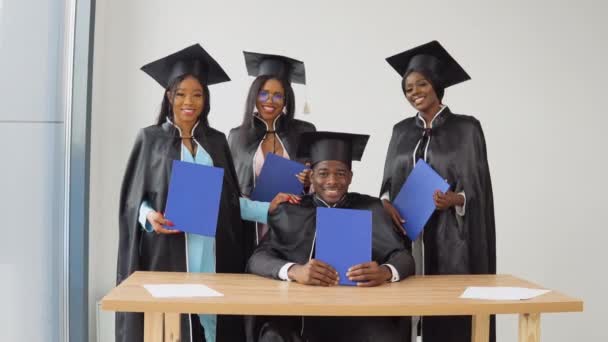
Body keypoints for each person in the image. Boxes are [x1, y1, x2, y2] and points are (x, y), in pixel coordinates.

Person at [117, 44, 293, 342]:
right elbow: (134, 200)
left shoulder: (214, 142)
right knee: (172, 329)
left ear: (205, 100)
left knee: (210, 326)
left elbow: (230, 201)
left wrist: (267, 209)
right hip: (168, 252)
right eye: (182, 93)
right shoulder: (151, 138)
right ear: (169, 95)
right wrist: (149, 216)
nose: (189, 101)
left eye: (197, 95)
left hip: (211, 251)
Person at [247, 131, 415, 342]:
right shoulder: (292, 210)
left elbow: (404, 257)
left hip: (358, 316)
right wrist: (295, 271)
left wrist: (384, 272)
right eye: (323, 173)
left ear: (351, 177)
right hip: (302, 317)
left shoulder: (370, 208)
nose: (332, 181)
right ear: (311, 175)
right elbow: (258, 259)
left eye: (341, 173)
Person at [381, 40, 496, 342]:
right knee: (406, 309)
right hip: (409, 233)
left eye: (422, 84)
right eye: (408, 88)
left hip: (452, 237)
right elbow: (387, 183)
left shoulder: (467, 128)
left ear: (436, 85)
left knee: (451, 315)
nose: (415, 92)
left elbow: (478, 190)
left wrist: (455, 199)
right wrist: (385, 204)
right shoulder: (401, 131)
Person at [228, 52, 316, 246]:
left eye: (278, 95)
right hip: (251, 223)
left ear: (286, 100)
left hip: (293, 222)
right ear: (254, 94)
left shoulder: (304, 132)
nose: (270, 100)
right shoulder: (236, 136)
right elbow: (230, 190)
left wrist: (311, 181)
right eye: (264, 93)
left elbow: (319, 182)